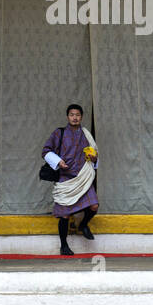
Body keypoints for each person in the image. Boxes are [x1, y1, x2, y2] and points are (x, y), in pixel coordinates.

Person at [42, 103, 99, 256]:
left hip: (83, 177)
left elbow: (94, 156)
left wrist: (94, 158)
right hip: (65, 179)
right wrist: (58, 162)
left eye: (78, 115)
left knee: (94, 206)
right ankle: (64, 245)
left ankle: (83, 224)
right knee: (65, 215)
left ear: (81, 117)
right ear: (68, 117)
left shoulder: (86, 134)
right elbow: (46, 151)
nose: (75, 117)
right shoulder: (59, 133)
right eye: (72, 114)